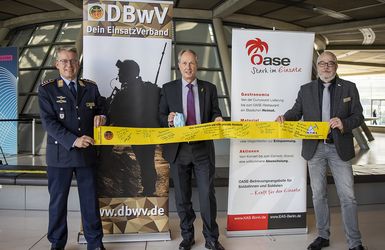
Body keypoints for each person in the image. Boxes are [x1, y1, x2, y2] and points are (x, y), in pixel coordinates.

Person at [276, 51, 365, 250]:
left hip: (339, 148)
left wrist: (344, 123)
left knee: (348, 196)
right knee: (318, 195)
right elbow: (295, 112)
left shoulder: (349, 88)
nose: (326, 67)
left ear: (336, 66)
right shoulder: (305, 90)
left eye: (330, 63)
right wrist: (284, 117)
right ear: (317, 66)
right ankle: (323, 236)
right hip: (314, 149)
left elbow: (358, 116)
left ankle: (355, 242)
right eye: (322, 63)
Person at [38, 47, 106, 250]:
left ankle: (95, 243)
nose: (69, 65)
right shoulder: (47, 89)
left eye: (73, 61)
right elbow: (49, 123)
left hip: (87, 154)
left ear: (78, 64)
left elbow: (102, 108)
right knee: (58, 203)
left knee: (90, 201)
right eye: (64, 61)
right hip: (60, 155)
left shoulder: (90, 87)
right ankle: (57, 243)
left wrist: (103, 116)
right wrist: (73, 140)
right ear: (56, 64)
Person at [159, 49, 225, 250]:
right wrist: (167, 120)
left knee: (207, 195)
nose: (188, 67)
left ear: (197, 65)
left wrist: (217, 118)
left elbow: (215, 111)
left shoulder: (210, 88)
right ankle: (187, 236)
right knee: (182, 197)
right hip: (179, 151)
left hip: (202, 150)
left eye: (192, 63)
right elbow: (160, 116)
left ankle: (211, 238)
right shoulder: (168, 88)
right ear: (179, 65)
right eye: (184, 63)